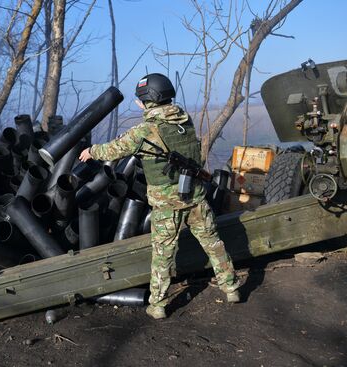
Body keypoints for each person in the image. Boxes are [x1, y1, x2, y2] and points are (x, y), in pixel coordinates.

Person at [79, 73, 240, 319]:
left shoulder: (145, 130)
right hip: (195, 197)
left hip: (166, 205)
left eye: (140, 100)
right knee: (214, 245)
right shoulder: (184, 123)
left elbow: (113, 149)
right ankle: (231, 288)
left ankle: (158, 306)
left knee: (162, 256)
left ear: (148, 100)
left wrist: (91, 151)